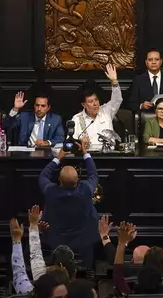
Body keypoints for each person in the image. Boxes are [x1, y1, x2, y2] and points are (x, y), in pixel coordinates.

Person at [39, 140, 99, 268]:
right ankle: (89, 270)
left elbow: (43, 176)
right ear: (78, 181)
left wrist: (58, 158)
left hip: (57, 240)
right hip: (84, 239)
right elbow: (93, 174)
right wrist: (85, 152)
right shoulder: (86, 189)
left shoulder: (51, 191)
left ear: (59, 180)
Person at [71, 64, 122, 151]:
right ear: (84, 105)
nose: (95, 104)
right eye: (91, 101)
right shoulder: (77, 119)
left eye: (96, 100)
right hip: (87, 155)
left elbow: (117, 100)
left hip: (109, 155)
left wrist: (114, 81)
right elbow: (72, 142)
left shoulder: (106, 111)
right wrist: (80, 142)